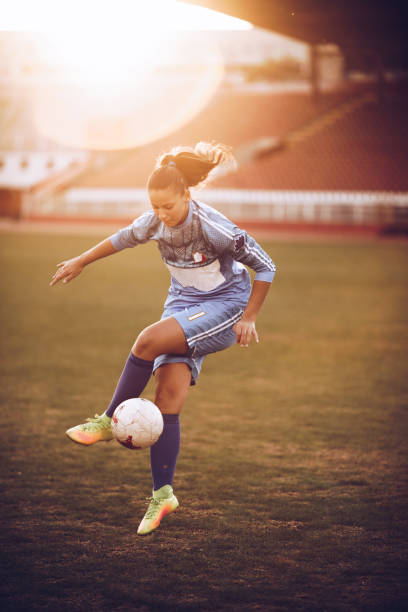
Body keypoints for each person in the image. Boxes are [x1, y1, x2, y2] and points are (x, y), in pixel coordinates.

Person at [50, 142, 276, 535]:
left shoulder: (215, 227)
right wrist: (80, 261)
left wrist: (250, 318)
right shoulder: (154, 221)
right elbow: (121, 238)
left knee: (147, 341)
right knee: (166, 398)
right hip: (184, 305)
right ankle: (163, 495)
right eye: (155, 206)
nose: (161, 214)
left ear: (186, 195)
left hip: (226, 307)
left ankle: (107, 420)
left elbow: (267, 267)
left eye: (168, 206)